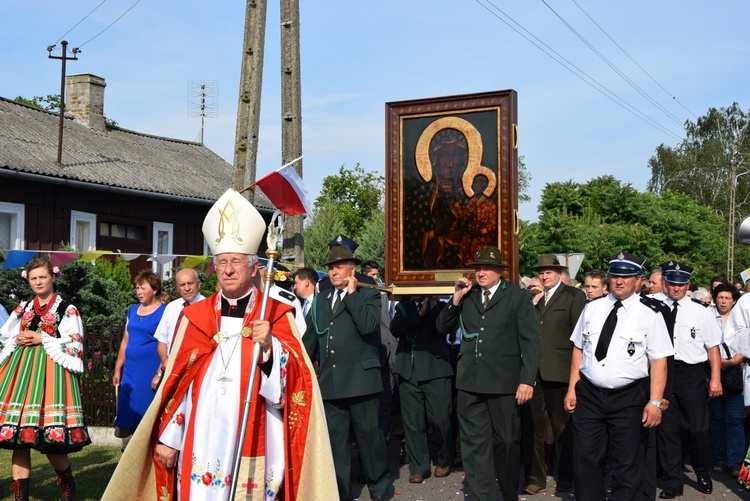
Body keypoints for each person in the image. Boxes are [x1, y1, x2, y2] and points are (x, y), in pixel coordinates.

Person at [102, 188, 335, 500]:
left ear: (254, 267)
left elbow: (296, 385)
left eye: (236, 261)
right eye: (222, 261)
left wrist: (269, 349)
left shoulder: (277, 315)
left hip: (255, 435)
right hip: (201, 438)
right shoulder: (195, 318)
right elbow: (179, 386)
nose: (227, 269)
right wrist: (170, 437)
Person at [564, 252, 673, 500]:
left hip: (629, 398)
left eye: (627, 276)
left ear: (639, 281)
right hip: (589, 395)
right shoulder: (591, 308)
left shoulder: (650, 313)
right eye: (615, 275)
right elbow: (579, 349)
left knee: (627, 465)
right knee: (586, 461)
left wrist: (655, 402)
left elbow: (659, 361)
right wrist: (572, 388)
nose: (619, 281)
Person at [436, 245, 540, 501]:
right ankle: (483, 495)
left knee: (506, 442)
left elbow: (531, 341)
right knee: (473, 445)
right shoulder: (468, 295)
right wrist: (457, 297)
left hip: (504, 383)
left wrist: (527, 380)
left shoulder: (516, 296)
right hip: (470, 382)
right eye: (477, 268)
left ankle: (507, 493)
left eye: (486, 268)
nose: (481, 273)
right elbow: (441, 327)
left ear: (499, 271)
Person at [303, 245, 390, 501]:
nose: (333, 271)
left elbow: (369, 326)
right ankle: (339, 492)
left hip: (362, 381)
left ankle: (380, 488)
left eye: (339, 267)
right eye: (331, 267)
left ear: (352, 270)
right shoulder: (320, 300)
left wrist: (352, 296)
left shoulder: (368, 294)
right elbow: (310, 339)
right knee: (336, 445)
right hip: (331, 383)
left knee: (370, 440)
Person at [0, 258, 91, 501]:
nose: (38, 282)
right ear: (28, 281)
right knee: (19, 438)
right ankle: (21, 496)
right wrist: (16, 339)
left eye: (42, 277)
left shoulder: (66, 309)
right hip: (20, 374)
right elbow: (5, 335)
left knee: (51, 438)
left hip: (51, 375)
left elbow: (75, 341)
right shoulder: (24, 308)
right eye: (34, 278)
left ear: (52, 277)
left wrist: (43, 339)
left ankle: (67, 484)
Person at [655, 261, 722, 498]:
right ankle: (673, 481)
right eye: (672, 283)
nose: (676, 288)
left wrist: (715, 379)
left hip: (691, 374)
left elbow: (712, 347)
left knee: (698, 429)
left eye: (681, 284)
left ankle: (702, 470)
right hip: (663, 372)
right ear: (664, 283)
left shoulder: (700, 311)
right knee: (667, 430)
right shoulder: (654, 307)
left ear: (687, 285)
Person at [522, 255, 586, 494]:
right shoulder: (531, 298)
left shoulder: (573, 296)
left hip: (560, 371)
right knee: (532, 427)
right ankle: (535, 477)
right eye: (541, 272)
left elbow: (579, 337)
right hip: (532, 371)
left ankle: (566, 476)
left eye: (549, 272)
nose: (544, 276)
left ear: (560, 273)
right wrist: (532, 301)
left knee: (562, 428)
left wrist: (575, 378)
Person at [391, 296, 454, 484]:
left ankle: (444, 459)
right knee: (412, 421)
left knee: (441, 419)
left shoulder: (442, 306)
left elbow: (444, 329)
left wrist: (433, 308)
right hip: (408, 371)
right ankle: (419, 466)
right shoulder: (404, 307)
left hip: (435, 370)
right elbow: (396, 329)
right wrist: (418, 314)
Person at [113, 270, 166, 439]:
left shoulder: (164, 311)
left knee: (147, 411)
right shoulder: (133, 310)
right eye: (137, 288)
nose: (139, 292)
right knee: (129, 410)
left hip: (149, 369)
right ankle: (131, 452)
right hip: (131, 370)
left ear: (154, 289)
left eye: (143, 288)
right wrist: (117, 368)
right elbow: (125, 340)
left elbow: (167, 344)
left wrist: (159, 372)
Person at [707, 284, 744, 477]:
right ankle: (721, 458)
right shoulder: (707, 316)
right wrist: (714, 362)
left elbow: (745, 345)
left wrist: (729, 362)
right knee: (717, 418)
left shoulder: (740, 320)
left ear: (734, 300)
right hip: (711, 370)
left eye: (727, 298)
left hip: (733, 372)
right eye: (720, 297)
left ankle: (735, 461)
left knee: (735, 419)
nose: (723, 301)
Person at [151, 268, 205, 390]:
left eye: (190, 283)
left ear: (199, 284)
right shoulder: (171, 307)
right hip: (170, 371)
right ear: (177, 288)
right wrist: (164, 359)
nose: (187, 288)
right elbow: (162, 340)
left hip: (196, 374)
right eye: (182, 285)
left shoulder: (208, 308)